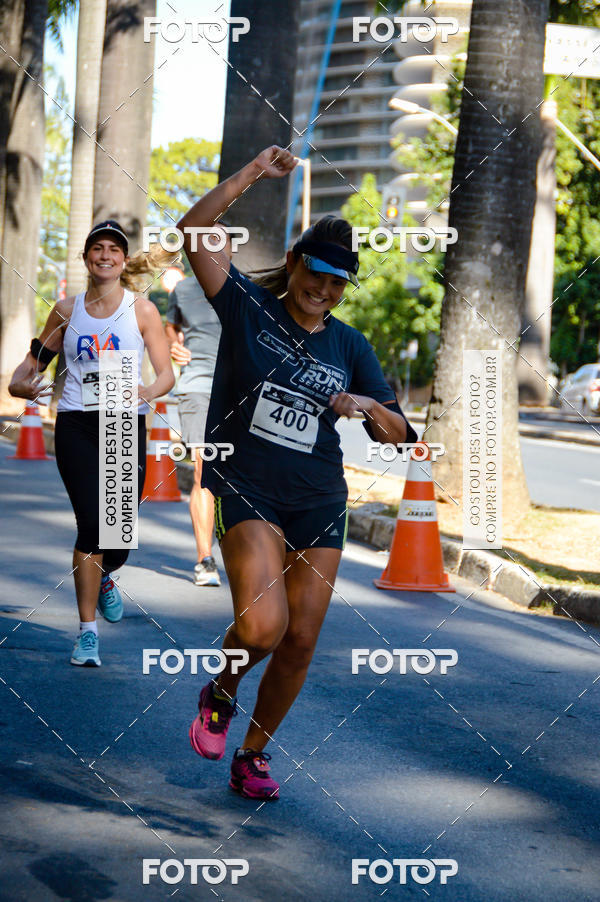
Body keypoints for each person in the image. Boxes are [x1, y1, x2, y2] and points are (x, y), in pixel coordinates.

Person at [177, 146, 418, 800]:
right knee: (262, 626)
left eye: (339, 282)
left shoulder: (350, 345)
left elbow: (400, 432)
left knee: (301, 639)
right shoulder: (247, 307)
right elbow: (194, 233)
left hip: (318, 496)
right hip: (246, 482)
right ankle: (221, 690)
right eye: (317, 273)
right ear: (293, 264)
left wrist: (367, 407)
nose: (325, 290)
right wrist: (253, 174)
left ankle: (253, 755)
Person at [9, 220, 175, 667]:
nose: (105, 255)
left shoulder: (142, 311)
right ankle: (86, 634)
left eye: (113, 250)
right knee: (91, 524)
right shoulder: (66, 310)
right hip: (77, 424)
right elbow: (25, 374)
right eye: (97, 249)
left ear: (123, 261)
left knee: (117, 536)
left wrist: (147, 392)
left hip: (124, 423)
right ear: (86, 259)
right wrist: (23, 389)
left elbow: (166, 373)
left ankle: (105, 576)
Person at [164, 226, 233, 587]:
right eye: (207, 244)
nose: (215, 251)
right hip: (198, 389)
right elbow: (170, 327)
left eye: (222, 245)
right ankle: (205, 559)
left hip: (241, 395)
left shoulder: (244, 291)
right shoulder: (185, 289)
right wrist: (175, 347)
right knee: (207, 471)